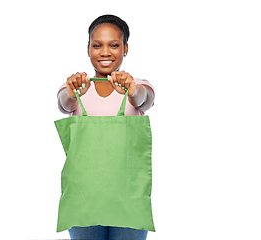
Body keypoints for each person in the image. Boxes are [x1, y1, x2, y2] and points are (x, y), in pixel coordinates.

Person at [57, 14, 155, 240]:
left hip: (128, 198)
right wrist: (72, 92)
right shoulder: (76, 87)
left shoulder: (137, 86)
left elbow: (145, 99)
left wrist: (132, 91)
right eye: (97, 45)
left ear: (125, 48)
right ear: (88, 48)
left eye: (114, 45)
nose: (105, 52)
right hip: (84, 198)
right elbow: (64, 103)